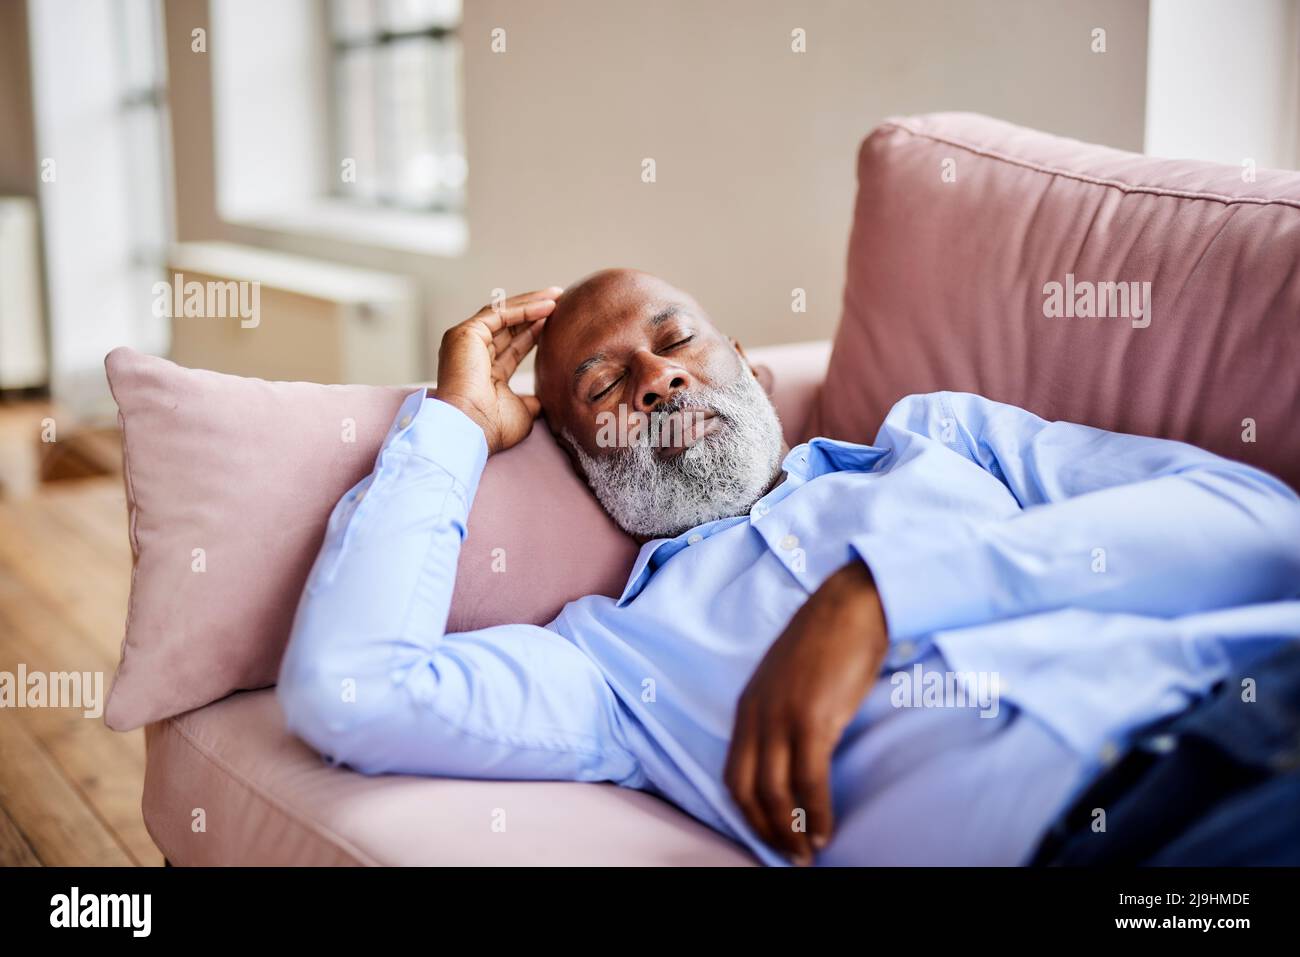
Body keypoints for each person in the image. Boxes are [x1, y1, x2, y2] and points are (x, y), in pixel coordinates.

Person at [276, 269, 1300, 866]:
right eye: (604, 387)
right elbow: (354, 689)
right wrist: (453, 427)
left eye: (677, 342)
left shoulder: (948, 440)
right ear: (584, 467)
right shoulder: (610, 666)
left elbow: (1264, 527)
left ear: (752, 373)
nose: (658, 375)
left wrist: (879, 595)